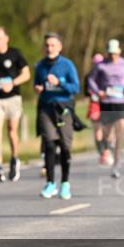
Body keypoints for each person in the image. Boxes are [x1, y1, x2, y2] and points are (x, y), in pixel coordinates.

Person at [33, 32, 80, 200]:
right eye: (47, 45)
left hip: (64, 108)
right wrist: (38, 89)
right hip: (46, 108)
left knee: (65, 146)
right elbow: (37, 85)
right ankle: (50, 182)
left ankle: (65, 183)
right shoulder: (40, 66)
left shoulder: (67, 65)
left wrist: (59, 83)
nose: (49, 48)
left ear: (59, 47)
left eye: (53, 45)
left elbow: (75, 88)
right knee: (49, 144)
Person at [0, 27, 31, 182]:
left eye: (0, 38)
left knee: (12, 131)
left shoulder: (15, 54)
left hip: (13, 98)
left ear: (6, 38)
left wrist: (13, 83)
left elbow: (27, 74)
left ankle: (15, 159)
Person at [88, 39, 124, 179]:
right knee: (107, 133)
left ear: (119, 52)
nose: (112, 56)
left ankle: (117, 165)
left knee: (120, 129)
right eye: (110, 53)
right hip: (107, 101)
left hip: (121, 101)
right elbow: (91, 80)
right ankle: (108, 147)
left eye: (115, 53)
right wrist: (98, 92)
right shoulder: (101, 66)